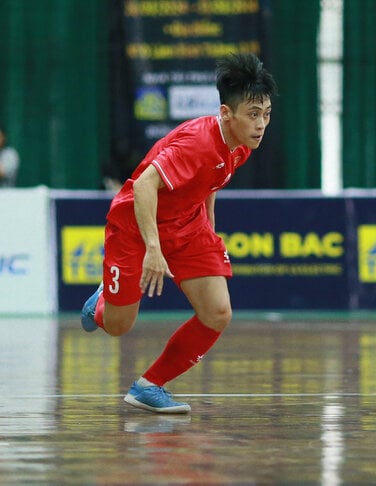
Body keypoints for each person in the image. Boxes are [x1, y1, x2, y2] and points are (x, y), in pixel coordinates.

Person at [80, 52, 277, 413]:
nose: (261, 124)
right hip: (137, 225)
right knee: (118, 326)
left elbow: (210, 183)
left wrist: (209, 233)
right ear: (225, 114)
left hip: (187, 225)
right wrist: (153, 249)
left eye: (265, 114)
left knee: (218, 312)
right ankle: (102, 303)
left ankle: (148, 386)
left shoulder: (241, 144)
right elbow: (142, 187)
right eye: (253, 115)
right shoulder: (197, 143)